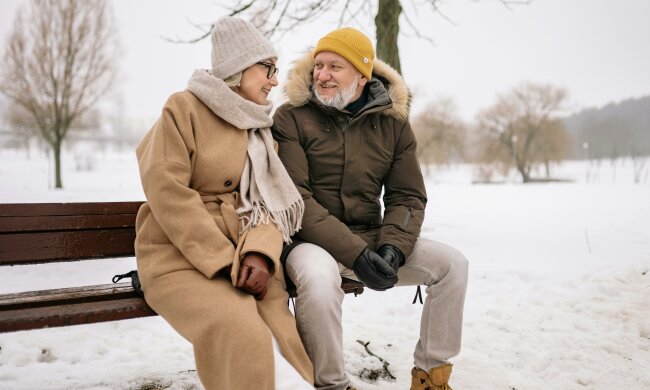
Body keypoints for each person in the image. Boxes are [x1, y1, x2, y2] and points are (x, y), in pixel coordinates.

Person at [272, 27, 469, 390]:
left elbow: (407, 196)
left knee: (452, 265)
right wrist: (356, 253)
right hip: (308, 243)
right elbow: (296, 201)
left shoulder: (393, 124)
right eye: (319, 66)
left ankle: (430, 376)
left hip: (371, 238)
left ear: (363, 76)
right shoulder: (291, 117)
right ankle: (331, 384)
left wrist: (393, 247)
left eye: (335, 66)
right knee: (317, 279)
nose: (322, 75)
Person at [134, 17, 314, 390]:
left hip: (245, 259)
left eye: (276, 71)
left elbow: (269, 203)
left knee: (282, 334)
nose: (274, 81)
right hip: (180, 258)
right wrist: (222, 258)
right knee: (240, 329)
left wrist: (261, 255)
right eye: (268, 69)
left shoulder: (260, 130)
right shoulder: (183, 109)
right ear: (239, 67)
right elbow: (166, 190)